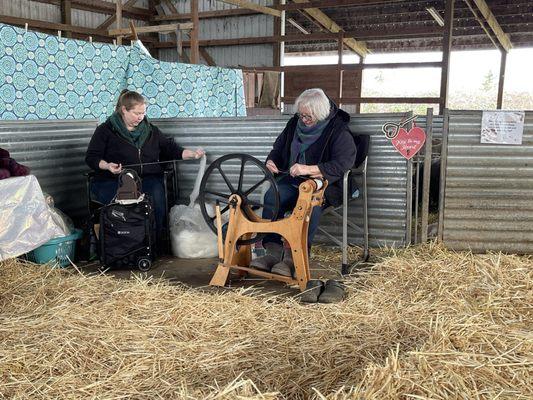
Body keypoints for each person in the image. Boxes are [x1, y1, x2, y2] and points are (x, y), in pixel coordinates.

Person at [250, 88, 356, 277]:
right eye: (301, 115)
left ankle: (294, 257)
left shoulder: (337, 129)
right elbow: (278, 147)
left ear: (321, 113)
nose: (304, 120)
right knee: (272, 197)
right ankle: (272, 253)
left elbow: (343, 164)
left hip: (322, 185)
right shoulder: (294, 124)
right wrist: (271, 161)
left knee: (307, 206)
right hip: (292, 180)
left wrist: (308, 169)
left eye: (308, 116)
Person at [85, 89, 204, 246]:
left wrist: (192, 154)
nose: (140, 117)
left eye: (143, 113)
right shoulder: (105, 131)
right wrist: (107, 166)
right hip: (114, 180)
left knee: (156, 195)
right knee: (124, 203)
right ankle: (125, 244)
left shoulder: (150, 130)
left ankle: (154, 243)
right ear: (124, 110)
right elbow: (91, 157)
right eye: (136, 113)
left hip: (148, 178)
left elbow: (170, 148)